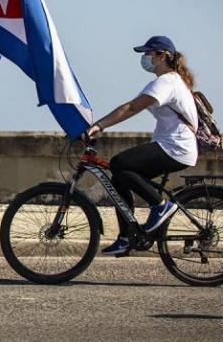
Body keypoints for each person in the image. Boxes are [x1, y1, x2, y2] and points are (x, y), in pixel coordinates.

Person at [85, 35, 198, 255]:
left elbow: (131, 108)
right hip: (172, 145)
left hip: (176, 147)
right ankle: (127, 236)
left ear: (161, 56)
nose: (145, 58)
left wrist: (99, 125)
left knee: (119, 163)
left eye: (148, 53)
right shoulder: (168, 81)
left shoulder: (167, 82)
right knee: (119, 176)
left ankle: (160, 205)